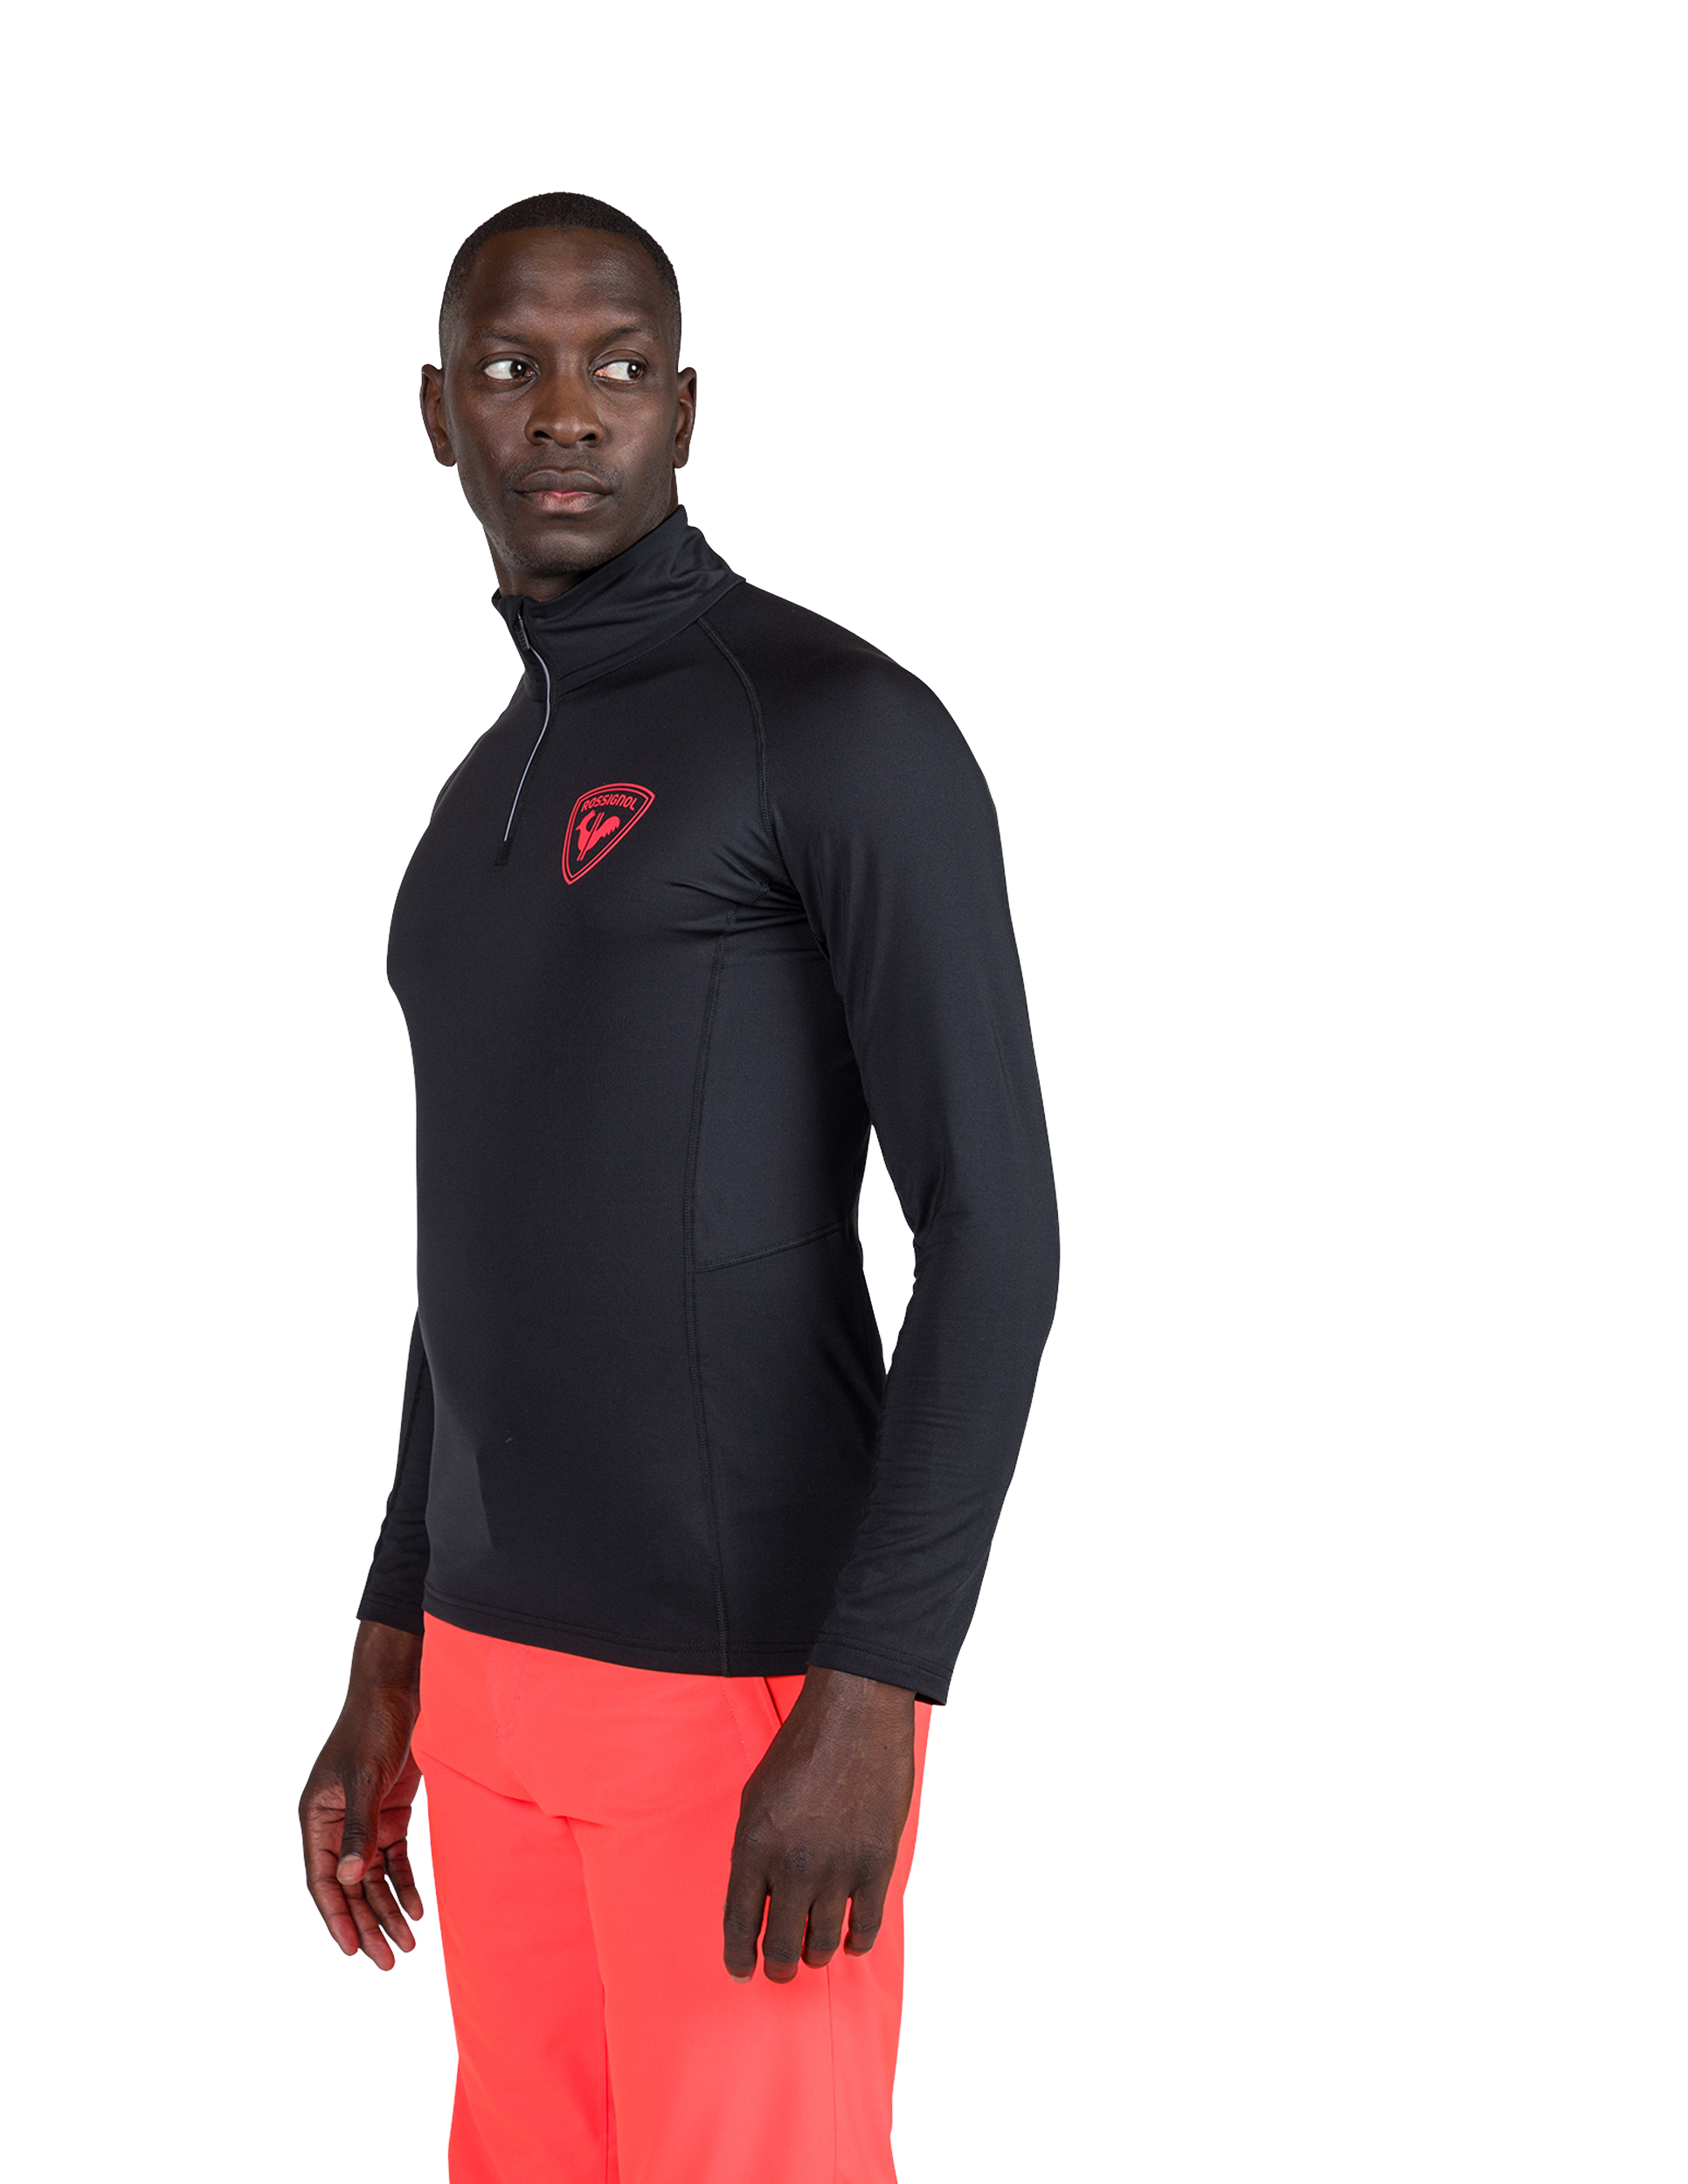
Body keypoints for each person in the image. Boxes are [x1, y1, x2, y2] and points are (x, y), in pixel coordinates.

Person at [298, 191, 1059, 2184]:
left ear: (686, 408)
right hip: (488, 1690)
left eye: (618, 366)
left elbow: (995, 1235)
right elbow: (475, 1252)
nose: (565, 411)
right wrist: (390, 1647)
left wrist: (876, 1684)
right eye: (509, 366)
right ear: (436, 414)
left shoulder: (837, 730)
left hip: (742, 1691)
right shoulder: (477, 796)